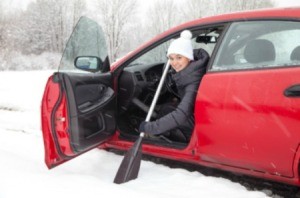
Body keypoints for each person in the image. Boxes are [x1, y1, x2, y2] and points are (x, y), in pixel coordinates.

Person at [138, 30, 209, 142]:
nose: (174, 63)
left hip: (199, 125)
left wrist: (150, 128)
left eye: (179, 57)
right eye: (171, 58)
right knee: (167, 107)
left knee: (170, 111)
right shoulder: (191, 70)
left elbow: (181, 115)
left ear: (189, 57)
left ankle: (167, 138)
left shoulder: (193, 81)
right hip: (198, 114)